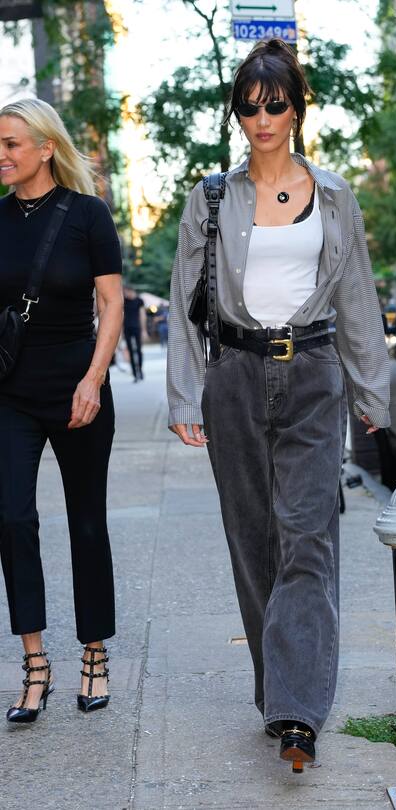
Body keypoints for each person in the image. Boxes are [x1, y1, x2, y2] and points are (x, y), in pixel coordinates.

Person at [167, 39, 390, 771]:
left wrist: (372, 390)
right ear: (238, 113)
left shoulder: (332, 194)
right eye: (251, 106)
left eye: (277, 104)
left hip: (314, 373)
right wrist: (183, 394)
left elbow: (356, 293)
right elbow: (181, 304)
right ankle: (279, 690)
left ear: (297, 108)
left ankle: (299, 711)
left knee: (309, 540)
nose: (264, 119)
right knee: (254, 541)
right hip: (233, 373)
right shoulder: (211, 198)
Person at [0, 99, 123, 722]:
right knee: (12, 519)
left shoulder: (88, 215)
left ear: (46, 147)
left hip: (79, 388)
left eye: (12, 143)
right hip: (10, 394)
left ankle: (94, 653)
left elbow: (112, 304)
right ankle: (35, 663)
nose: (2, 154)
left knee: (86, 523)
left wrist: (94, 379)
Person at [123, 285, 146, 381]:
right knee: (131, 351)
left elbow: (142, 315)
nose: (125, 293)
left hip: (137, 327)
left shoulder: (139, 301)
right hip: (127, 328)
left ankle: (140, 370)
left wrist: (144, 330)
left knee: (139, 350)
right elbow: (121, 315)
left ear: (131, 291)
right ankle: (134, 373)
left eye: (126, 292)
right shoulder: (124, 301)